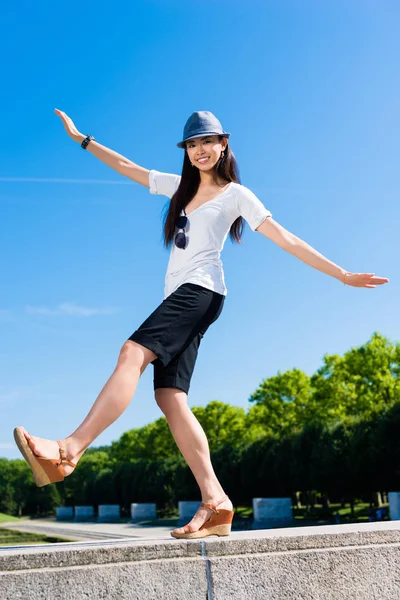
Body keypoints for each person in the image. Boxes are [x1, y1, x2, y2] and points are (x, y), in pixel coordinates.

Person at [13, 110, 389, 540]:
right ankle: (217, 503)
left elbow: (286, 238)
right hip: (183, 297)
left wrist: (342, 274)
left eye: (207, 142)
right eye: (192, 145)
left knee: (131, 352)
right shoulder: (180, 189)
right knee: (170, 398)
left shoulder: (236, 195)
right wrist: (83, 139)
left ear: (223, 144)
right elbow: (128, 168)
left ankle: (67, 451)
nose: (200, 150)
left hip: (202, 291)